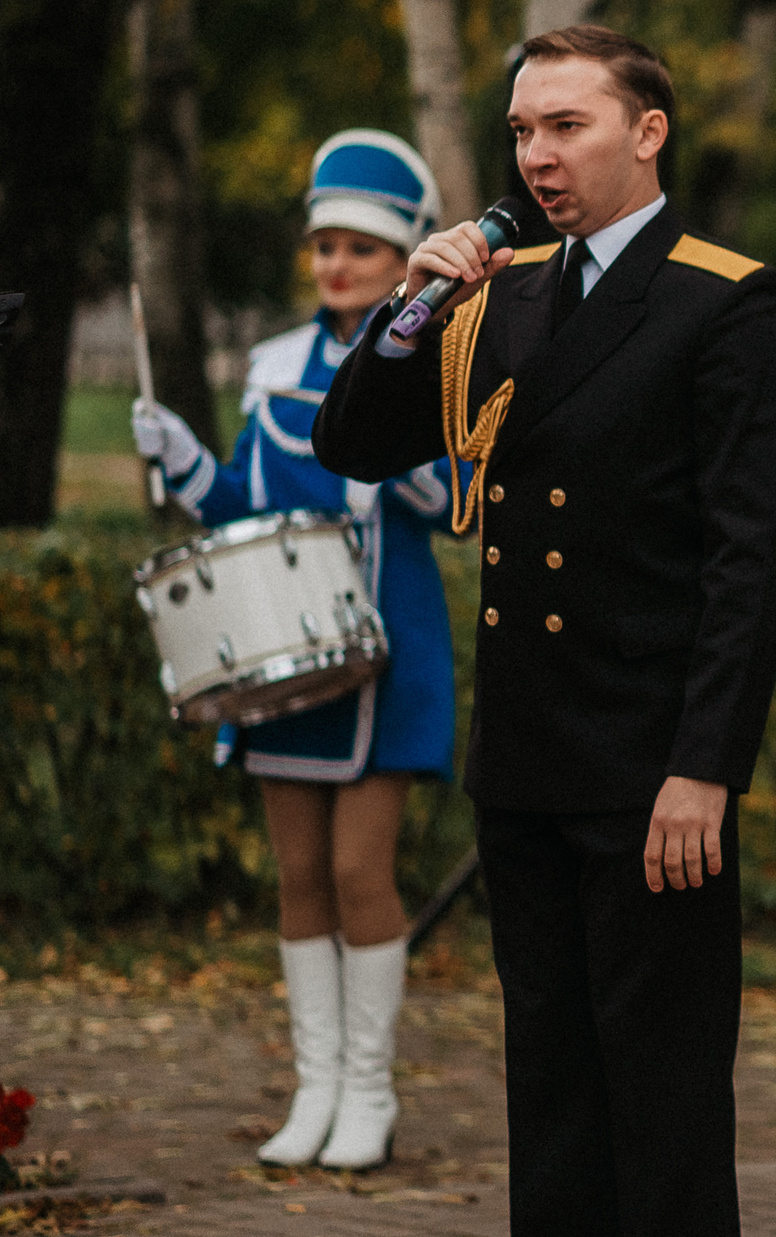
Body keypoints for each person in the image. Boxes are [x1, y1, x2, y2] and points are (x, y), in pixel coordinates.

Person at [313, 25, 776, 1237]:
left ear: (648, 132)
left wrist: (705, 765)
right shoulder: (502, 295)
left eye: (566, 126)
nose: (536, 155)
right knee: (548, 1080)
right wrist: (411, 306)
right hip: (528, 755)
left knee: (665, 1091)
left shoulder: (723, 296)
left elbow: (750, 564)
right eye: (523, 130)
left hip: (649, 765)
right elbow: (355, 445)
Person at [128, 129, 460, 1172]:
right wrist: (185, 461)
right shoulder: (272, 364)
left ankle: (370, 1088)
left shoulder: (437, 348)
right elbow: (243, 507)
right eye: (324, 246)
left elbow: (454, 499)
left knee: (363, 870)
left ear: (399, 256)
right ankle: (315, 1086)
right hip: (280, 647)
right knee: (298, 876)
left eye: (359, 248)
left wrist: (394, 451)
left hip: (387, 645)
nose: (336, 265)